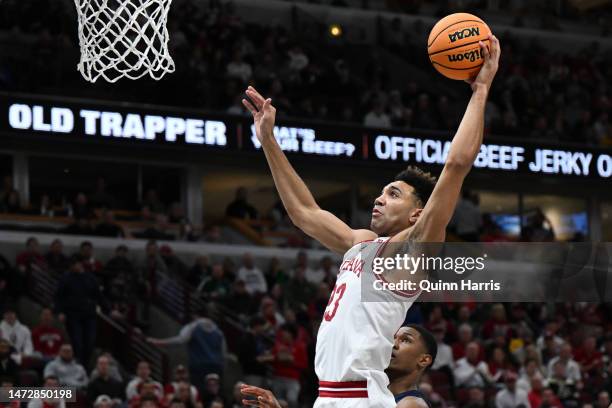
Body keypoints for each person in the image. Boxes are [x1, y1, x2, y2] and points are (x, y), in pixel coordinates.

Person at [241, 32, 500, 407]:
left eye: (393, 193)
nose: (380, 198)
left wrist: (480, 90)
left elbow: (457, 165)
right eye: (381, 191)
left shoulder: (414, 249)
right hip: (329, 397)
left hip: (361, 397)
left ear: (418, 213)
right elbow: (304, 213)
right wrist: (268, 140)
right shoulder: (360, 242)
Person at [241, 325, 437, 407]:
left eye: (406, 340)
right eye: (393, 337)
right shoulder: (371, 391)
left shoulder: (410, 404)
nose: (392, 344)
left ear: (424, 360)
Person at [147, 309, 227, 394]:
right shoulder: (218, 331)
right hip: (216, 365)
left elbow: (180, 340)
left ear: (195, 316)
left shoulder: (193, 326)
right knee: (216, 392)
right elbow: (223, 352)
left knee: (199, 391)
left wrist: (158, 342)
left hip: (198, 365)